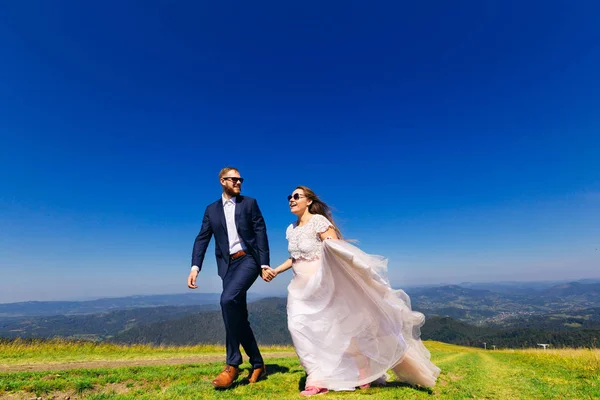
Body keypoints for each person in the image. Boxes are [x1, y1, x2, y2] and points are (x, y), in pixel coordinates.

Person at [262, 186, 440, 396]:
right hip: (299, 287)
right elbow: (296, 257)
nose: (291, 200)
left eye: (296, 196)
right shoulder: (291, 229)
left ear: (308, 201)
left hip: (323, 284)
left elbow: (337, 249)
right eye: (289, 197)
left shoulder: (319, 222)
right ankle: (317, 374)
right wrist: (276, 270)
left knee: (336, 330)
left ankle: (352, 370)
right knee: (298, 326)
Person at [187, 167, 270, 389]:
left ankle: (232, 364)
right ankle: (258, 364)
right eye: (234, 179)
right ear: (222, 181)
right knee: (236, 315)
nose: (239, 182)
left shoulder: (249, 204)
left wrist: (263, 263)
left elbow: (261, 232)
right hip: (227, 266)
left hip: (249, 260)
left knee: (226, 300)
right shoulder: (211, 210)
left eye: (240, 179)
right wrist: (195, 267)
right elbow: (202, 238)